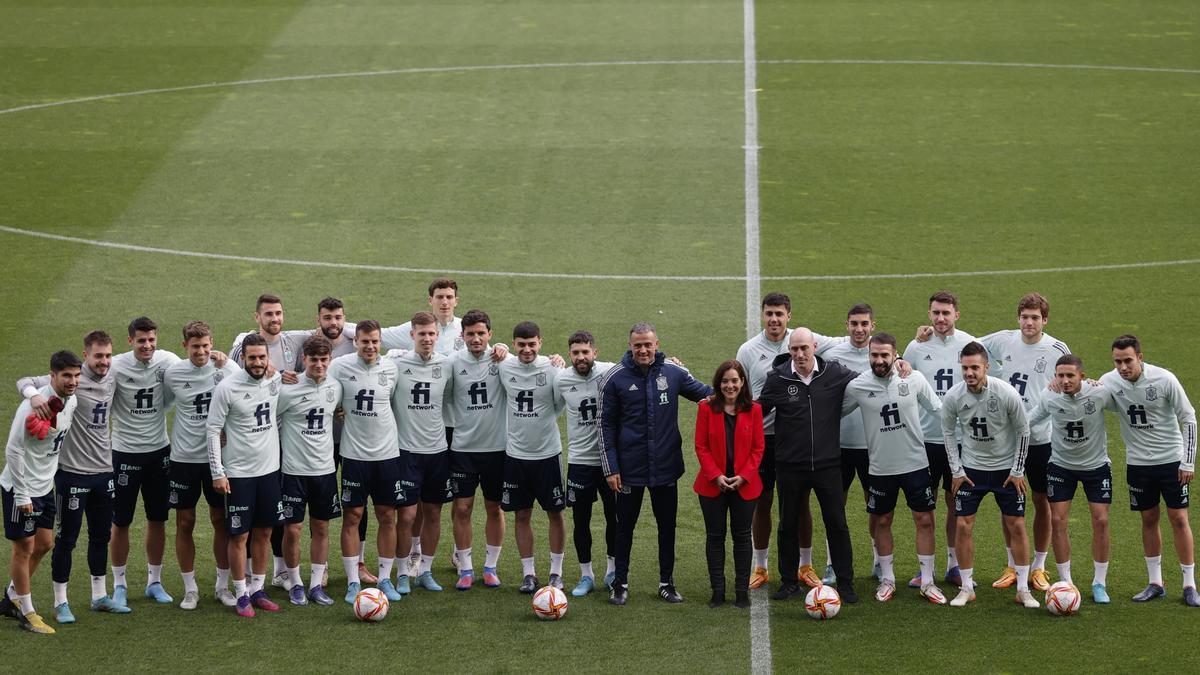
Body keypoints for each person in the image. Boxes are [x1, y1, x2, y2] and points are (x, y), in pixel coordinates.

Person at [15, 332, 128, 622]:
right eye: (98, 356)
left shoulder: (112, 376)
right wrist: (35, 395)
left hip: (105, 472)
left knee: (101, 537)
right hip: (73, 474)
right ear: (86, 355)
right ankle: (60, 602)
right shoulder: (72, 380)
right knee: (66, 540)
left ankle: (99, 596)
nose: (103, 362)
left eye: (107, 356)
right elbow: (24, 381)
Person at [600, 322, 712, 605]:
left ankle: (666, 583)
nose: (643, 350)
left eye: (648, 344)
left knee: (667, 526)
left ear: (657, 344)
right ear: (630, 345)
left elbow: (706, 394)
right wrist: (611, 468)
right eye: (637, 345)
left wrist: (740, 392)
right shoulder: (615, 378)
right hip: (628, 471)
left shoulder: (673, 373)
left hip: (665, 467)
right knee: (624, 527)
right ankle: (620, 583)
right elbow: (605, 428)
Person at [972, 293, 1070, 592]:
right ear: (1018, 318)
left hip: (1040, 439)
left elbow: (1073, 377)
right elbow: (969, 347)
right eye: (1025, 317)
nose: (1029, 323)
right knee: (1008, 503)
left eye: (1035, 318)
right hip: (1006, 439)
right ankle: (1013, 565)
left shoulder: (1056, 349)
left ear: (1045, 320)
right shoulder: (1004, 340)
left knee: (1042, 501)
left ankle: (1039, 566)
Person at [840, 334, 946, 604]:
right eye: (874, 355)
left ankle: (928, 581)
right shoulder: (858, 386)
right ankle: (887, 579)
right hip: (880, 467)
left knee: (924, 520)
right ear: (869, 356)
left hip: (916, 464)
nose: (879, 360)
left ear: (895, 355)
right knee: (883, 521)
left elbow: (939, 409)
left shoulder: (914, 379)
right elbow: (833, 412)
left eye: (884, 355)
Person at [757, 328, 859, 605]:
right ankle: (789, 582)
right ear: (789, 350)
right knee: (787, 524)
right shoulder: (777, 378)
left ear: (815, 346)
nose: (800, 354)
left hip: (827, 465)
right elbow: (758, 411)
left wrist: (898, 361)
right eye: (794, 349)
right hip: (789, 466)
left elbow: (870, 379)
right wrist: (726, 405)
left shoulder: (835, 373)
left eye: (804, 348)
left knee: (837, 524)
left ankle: (846, 583)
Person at [1100, 335, 1198, 606]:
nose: (1122, 367)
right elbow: (1092, 397)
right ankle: (1156, 583)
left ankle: (1189, 584)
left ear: (1140, 357)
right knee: (1148, 518)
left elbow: (1188, 417)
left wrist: (1187, 461)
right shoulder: (1110, 381)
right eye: (1117, 361)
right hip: (1138, 464)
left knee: (1178, 518)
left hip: (1171, 462)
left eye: (1128, 360)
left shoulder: (1164, 379)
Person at [940, 342, 1038, 609]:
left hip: (1006, 472)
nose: (969, 373)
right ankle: (966, 587)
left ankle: (1022, 588)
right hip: (971, 471)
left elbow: (1024, 431)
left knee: (1016, 525)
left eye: (975, 367)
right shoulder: (953, 397)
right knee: (963, 526)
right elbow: (948, 433)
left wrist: (1018, 470)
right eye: (965, 367)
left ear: (987, 367)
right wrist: (957, 470)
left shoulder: (1006, 393)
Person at [0, 350, 81, 634]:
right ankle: (27, 612)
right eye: (66, 376)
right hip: (21, 488)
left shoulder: (71, 402)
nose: (72, 381)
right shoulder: (33, 407)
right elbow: (13, 450)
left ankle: (11, 598)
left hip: (46, 486)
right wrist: (22, 495)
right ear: (53, 376)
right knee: (24, 548)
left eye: (76, 375)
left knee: (45, 543)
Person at [205, 334, 285, 617]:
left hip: (269, 472)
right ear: (242, 359)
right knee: (239, 535)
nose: (258, 363)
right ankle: (241, 594)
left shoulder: (275, 381)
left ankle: (258, 589)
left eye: (262, 357)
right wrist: (218, 471)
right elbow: (213, 430)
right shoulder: (227, 388)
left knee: (265, 531)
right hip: (238, 474)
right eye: (252, 358)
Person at [162, 321, 240, 609]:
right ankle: (190, 588)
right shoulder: (174, 373)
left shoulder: (226, 369)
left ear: (212, 343)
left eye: (206, 346)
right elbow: (166, 404)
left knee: (221, 520)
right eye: (195, 347)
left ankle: (222, 586)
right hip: (184, 458)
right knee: (185, 522)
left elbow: (243, 398)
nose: (202, 351)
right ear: (185, 346)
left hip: (218, 460)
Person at [228, 293, 303, 588]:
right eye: (269, 314)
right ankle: (245, 572)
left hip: (283, 439)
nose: (275, 319)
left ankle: (280, 570)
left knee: (278, 508)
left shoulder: (292, 341)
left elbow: (327, 331)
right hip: (248, 443)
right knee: (248, 514)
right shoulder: (241, 350)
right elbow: (226, 374)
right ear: (257, 317)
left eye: (279, 313)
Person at [1027, 355, 1115, 603]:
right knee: (1058, 519)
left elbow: (1125, 405)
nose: (1064, 381)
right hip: (1061, 467)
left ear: (1082, 377)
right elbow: (1029, 421)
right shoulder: (1049, 396)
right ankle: (1066, 580)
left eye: (1070, 376)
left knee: (1101, 520)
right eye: (1060, 375)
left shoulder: (1099, 394)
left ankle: (1100, 583)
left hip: (1096, 467)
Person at [326, 320, 402, 604]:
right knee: (353, 516)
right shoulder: (340, 366)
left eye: (374, 341)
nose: (370, 346)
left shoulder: (392, 367)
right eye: (364, 341)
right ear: (355, 342)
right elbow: (324, 391)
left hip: (387, 456)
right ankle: (353, 581)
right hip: (354, 456)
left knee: (386, 516)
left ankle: (385, 578)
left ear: (380, 342)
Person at [903, 290, 975, 587]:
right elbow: (901, 376)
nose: (941, 318)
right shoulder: (916, 347)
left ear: (957, 314)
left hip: (960, 441)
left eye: (946, 313)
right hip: (924, 440)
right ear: (929, 314)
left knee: (956, 505)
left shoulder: (970, 345)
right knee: (924, 509)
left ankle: (954, 565)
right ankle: (925, 570)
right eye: (936, 313)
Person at [109, 316, 181, 607]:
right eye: (141, 340)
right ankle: (119, 584)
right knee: (121, 521)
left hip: (159, 453)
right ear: (130, 341)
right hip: (124, 454)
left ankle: (154, 581)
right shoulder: (115, 365)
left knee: (158, 519)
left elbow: (191, 377)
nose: (147, 345)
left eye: (151, 339)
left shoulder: (168, 361)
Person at [496, 322, 567, 593]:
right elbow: (487, 349)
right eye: (521, 344)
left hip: (548, 454)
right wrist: (500, 348)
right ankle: (529, 574)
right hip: (516, 455)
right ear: (514, 344)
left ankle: (556, 573)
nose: (527, 349)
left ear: (540, 342)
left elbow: (559, 403)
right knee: (521, 514)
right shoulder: (504, 365)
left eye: (532, 344)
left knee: (555, 513)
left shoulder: (553, 368)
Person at [388, 312, 454, 595]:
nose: (427, 339)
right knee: (406, 516)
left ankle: (425, 570)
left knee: (434, 513)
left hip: (438, 451)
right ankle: (402, 572)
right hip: (406, 452)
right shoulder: (396, 365)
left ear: (437, 336)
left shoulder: (447, 365)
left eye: (431, 334)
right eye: (421, 334)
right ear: (411, 335)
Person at [275, 335, 342, 606]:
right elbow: (266, 417)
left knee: (321, 527)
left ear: (330, 360)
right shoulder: (288, 388)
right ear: (304, 359)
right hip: (293, 471)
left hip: (324, 470)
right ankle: (295, 583)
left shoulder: (336, 387)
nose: (318, 364)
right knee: (293, 530)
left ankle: (316, 585)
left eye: (323, 360)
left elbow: (341, 411)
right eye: (313, 359)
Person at [694, 360, 764, 609]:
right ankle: (718, 591)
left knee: (742, 537)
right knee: (715, 537)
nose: (730, 385)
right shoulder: (706, 409)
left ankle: (741, 592)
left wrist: (743, 476)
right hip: (713, 485)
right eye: (725, 381)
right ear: (718, 383)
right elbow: (701, 447)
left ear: (742, 382)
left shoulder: (754, 410)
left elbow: (758, 448)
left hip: (745, 485)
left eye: (734, 380)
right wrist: (716, 476)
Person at [446, 310, 508, 589]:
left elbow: (532, 364)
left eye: (481, 333)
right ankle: (466, 568)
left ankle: (491, 567)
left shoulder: (503, 361)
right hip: (463, 449)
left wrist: (555, 359)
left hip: (497, 448)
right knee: (462, 508)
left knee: (494, 507)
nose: (476, 338)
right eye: (470, 334)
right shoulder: (452, 363)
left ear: (490, 335)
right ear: (462, 336)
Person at [556, 331, 617, 597]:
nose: (581, 357)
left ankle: (613, 572)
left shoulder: (610, 372)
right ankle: (586, 575)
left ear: (595, 352)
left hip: (610, 461)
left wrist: (672, 364)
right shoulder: (561, 379)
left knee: (614, 518)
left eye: (585, 352)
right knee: (581, 521)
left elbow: (641, 363)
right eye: (576, 353)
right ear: (569, 355)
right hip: (579, 461)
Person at [818, 303, 876, 584]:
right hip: (837, 446)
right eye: (854, 323)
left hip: (871, 446)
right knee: (834, 508)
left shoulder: (880, 355)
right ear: (846, 325)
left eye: (864, 324)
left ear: (872, 326)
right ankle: (831, 564)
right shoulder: (831, 354)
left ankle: (879, 563)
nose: (859, 329)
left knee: (876, 508)